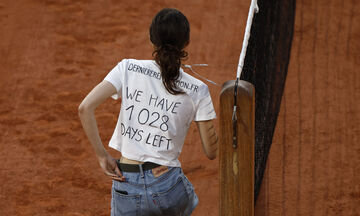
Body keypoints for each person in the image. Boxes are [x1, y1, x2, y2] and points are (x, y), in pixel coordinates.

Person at [78, 8, 218, 216]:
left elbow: (85, 108)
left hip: (126, 185)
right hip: (168, 187)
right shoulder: (198, 89)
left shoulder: (127, 68)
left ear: (151, 40)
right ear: (186, 43)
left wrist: (101, 155)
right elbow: (211, 151)